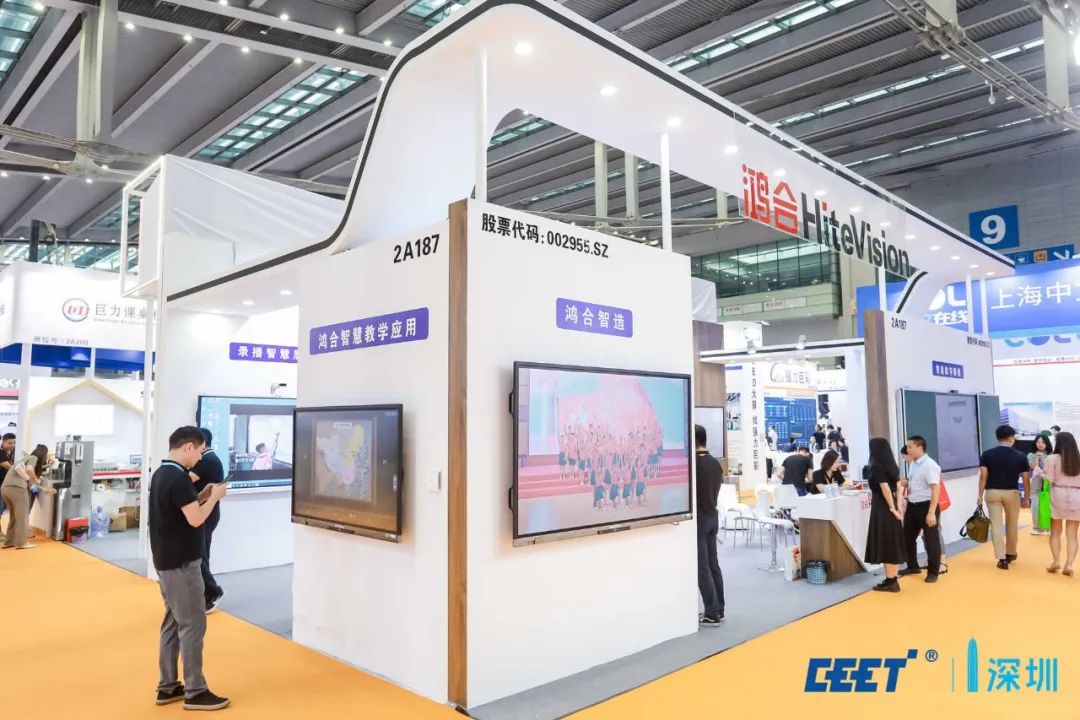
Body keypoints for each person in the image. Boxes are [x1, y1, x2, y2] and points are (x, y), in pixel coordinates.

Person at [149, 426, 229, 711]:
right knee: (193, 624)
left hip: (167, 561)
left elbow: (184, 510)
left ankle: (168, 685)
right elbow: (195, 519)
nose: (200, 458)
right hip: (182, 563)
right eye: (199, 451)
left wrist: (204, 495)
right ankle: (195, 691)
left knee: (173, 622)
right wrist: (215, 498)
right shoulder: (178, 478)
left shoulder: (162, 473)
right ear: (188, 447)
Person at [978, 425, 1031, 570]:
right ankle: (1011, 553)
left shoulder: (987, 454)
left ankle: (1001, 558)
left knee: (995, 525)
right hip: (1012, 493)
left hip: (992, 492)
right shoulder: (1020, 455)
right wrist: (1027, 497)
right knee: (1012, 524)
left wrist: (979, 495)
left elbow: (983, 476)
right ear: (1011, 438)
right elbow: (1026, 478)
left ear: (997, 438)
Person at [190, 428, 226, 613]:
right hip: (208, 512)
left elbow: (184, 480)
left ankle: (212, 593)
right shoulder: (210, 458)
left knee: (199, 554)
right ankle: (205, 594)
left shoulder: (206, 460)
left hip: (205, 513)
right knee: (202, 552)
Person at [897, 436, 942, 584]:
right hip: (913, 506)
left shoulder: (930, 465)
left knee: (931, 540)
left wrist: (931, 512)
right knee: (907, 537)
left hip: (927, 506)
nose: (908, 449)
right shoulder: (913, 464)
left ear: (920, 447)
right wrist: (904, 483)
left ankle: (933, 572)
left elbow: (935, 490)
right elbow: (913, 481)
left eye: (910, 447)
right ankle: (912, 566)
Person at [865, 437, 905, 592]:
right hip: (891, 504)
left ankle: (891, 581)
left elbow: (885, 489)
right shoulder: (892, 466)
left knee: (886, 543)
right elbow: (899, 487)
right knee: (892, 541)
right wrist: (898, 506)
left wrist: (892, 509)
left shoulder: (876, 466)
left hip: (882, 507)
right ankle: (892, 578)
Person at [694, 424, 725, 625]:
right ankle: (719, 608)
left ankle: (711, 612)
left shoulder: (694, 464)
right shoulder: (715, 463)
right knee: (713, 564)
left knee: (702, 567)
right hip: (713, 515)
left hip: (700, 519)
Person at [1, 444, 54, 550]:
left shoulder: (23, 460)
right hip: (17, 489)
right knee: (23, 517)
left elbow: (29, 480)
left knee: (14, 517)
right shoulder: (33, 458)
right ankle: (22, 543)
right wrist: (37, 480)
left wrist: (44, 489)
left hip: (5, 489)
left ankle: (9, 542)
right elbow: (30, 471)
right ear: (43, 454)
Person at [1045, 431, 1080, 575]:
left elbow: (1050, 479)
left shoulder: (1052, 458)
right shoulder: (1078, 459)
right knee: (1073, 534)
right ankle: (1069, 565)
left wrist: (1038, 470)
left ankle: (1056, 561)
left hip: (1057, 494)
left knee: (1055, 531)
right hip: (1077, 495)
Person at [1028, 434, 1053, 536]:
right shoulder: (1031, 455)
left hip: (1049, 486)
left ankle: (1049, 528)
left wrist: (1044, 459)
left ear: (1047, 443)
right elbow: (1032, 466)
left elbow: (1052, 469)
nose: (1040, 444)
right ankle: (1036, 528)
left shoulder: (1051, 456)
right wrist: (1037, 459)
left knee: (1049, 507)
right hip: (1036, 486)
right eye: (1038, 442)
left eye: (1043, 442)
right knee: (1035, 507)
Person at [0, 433, 14, 526]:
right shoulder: (1, 453)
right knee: (0, 508)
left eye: (14, 443)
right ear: (3, 442)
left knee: (3, 508)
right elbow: (10, 468)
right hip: (0, 485)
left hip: (5, 486)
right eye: (9, 443)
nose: (12, 445)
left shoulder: (10, 453)